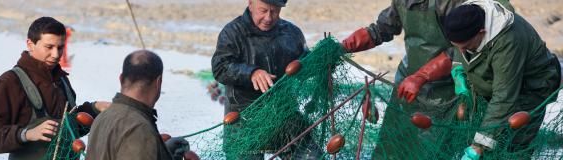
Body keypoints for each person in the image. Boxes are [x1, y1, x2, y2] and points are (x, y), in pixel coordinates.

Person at [338, 0, 513, 158]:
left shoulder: (449, 3)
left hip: (445, 90)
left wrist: (422, 76)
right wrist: (343, 46)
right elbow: (381, 29)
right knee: (393, 147)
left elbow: (461, 50)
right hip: (407, 83)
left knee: (431, 150)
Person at [440, 1, 561, 159]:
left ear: (482, 32)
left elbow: (504, 97)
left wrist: (478, 146)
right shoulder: (467, 18)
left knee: (511, 146)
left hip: (531, 87)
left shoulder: (508, 41)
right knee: (484, 134)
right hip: (497, 82)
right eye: (456, 46)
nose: (461, 51)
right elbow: (460, 45)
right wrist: (458, 70)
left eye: (466, 46)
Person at [0, 17, 109, 159]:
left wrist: (96, 109)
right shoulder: (9, 82)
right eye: (49, 47)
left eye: (60, 47)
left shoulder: (61, 79)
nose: (56, 55)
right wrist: (27, 134)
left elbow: (69, 130)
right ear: (30, 44)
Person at [211, 0, 321, 159]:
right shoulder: (232, 32)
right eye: (263, 10)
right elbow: (220, 67)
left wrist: (320, 61)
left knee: (313, 156)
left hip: (285, 117)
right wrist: (251, 73)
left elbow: (306, 64)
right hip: (244, 121)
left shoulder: (292, 33)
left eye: (274, 11)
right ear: (250, 4)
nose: (268, 18)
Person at [86, 50, 190, 160]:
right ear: (158, 83)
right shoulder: (140, 128)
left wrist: (164, 151)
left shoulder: (102, 117)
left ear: (121, 79)